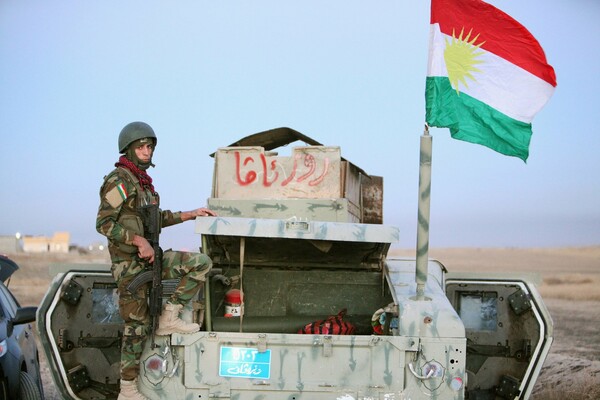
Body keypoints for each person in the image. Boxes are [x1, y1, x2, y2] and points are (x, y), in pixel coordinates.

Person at [96, 121, 217, 400]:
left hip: (151, 259)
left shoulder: (143, 184)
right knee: (136, 327)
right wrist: (138, 241)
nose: (147, 151)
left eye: (149, 146)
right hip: (129, 265)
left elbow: (155, 219)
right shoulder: (120, 180)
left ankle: (169, 316)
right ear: (129, 149)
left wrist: (189, 214)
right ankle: (127, 390)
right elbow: (104, 224)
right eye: (141, 146)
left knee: (200, 263)